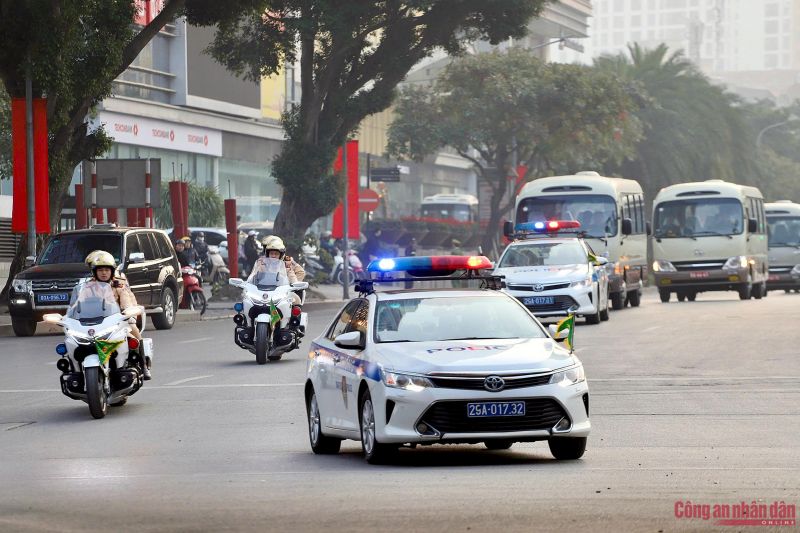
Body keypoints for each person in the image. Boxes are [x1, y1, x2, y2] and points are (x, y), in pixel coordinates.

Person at [85, 251, 150, 379]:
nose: (104, 273)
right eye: (100, 270)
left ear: (112, 271)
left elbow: (127, 302)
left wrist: (129, 315)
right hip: (97, 322)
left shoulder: (119, 284)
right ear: (94, 271)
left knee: (134, 334)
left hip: (119, 321)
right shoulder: (88, 287)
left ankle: (143, 366)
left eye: (107, 270)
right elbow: (79, 304)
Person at [261, 236, 305, 306]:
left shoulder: (287, 262)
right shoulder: (262, 262)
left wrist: (291, 286)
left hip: (283, 291)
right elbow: (254, 276)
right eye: (271, 252)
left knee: (296, 302)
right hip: (265, 291)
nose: (273, 256)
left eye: (276, 253)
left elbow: (300, 273)